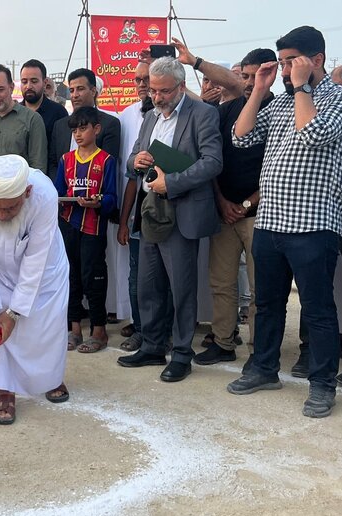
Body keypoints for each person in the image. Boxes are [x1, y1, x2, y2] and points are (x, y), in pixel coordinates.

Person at [227, 26, 342, 418]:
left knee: (317, 310)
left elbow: (312, 134)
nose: (285, 69)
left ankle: (323, 385)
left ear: (317, 60)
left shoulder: (338, 99)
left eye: (292, 61)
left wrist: (301, 89)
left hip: (314, 224)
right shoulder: (278, 103)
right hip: (271, 222)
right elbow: (241, 137)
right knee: (268, 303)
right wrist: (259, 89)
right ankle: (264, 368)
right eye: (281, 62)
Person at [117, 57, 223, 382]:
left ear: (180, 86)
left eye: (164, 91)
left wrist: (172, 183)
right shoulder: (149, 116)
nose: (157, 97)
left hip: (183, 210)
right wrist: (138, 161)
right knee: (149, 285)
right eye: (153, 90)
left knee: (181, 289)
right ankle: (151, 346)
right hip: (151, 210)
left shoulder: (202, 113)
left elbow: (213, 162)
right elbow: (130, 162)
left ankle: (180, 354)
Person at [174, 47, 277, 369]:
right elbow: (212, 162)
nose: (245, 82)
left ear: (270, 75)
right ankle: (223, 342)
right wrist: (223, 202)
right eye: (243, 76)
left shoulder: (277, 110)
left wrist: (246, 204)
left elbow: (276, 169)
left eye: (253, 76)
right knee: (221, 283)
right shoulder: (224, 111)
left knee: (263, 289)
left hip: (261, 214)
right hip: (225, 211)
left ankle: (260, 350)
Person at [0, 154, 70, 425]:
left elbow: (36, 260)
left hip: (44, 270)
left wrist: (15, 313)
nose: (0, 214)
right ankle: (4, 391)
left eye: (9, 208)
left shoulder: (44, 195)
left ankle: (50, 378)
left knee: (45, 326)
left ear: (27, 192)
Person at [55, 107, 117, 353]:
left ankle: (99, 330)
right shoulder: (66, 159)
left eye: (83, 128)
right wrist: (65, 199)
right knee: (70, 276)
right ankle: (74, 329)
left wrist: (99, 202)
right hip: (69, 225)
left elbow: (113, 197)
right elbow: (57, 192)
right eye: (74, 130)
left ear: (97, 129)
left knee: (93, 276)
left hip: (94, 227)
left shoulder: (107, 160)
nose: (78, 134)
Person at [115, 60, 158, 352]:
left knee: (162, 280)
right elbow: (132, 174)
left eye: (149, 81)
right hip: (140, 214)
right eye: (138, 80)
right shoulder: (138, 120)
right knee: (137, 275)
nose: (142, 86)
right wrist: (124, 220)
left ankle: (161, 332)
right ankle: (142, 329)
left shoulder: (189, 117)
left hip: (170, 214)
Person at [48, 68, 121, 181]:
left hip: (94, 194)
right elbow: (53, 164)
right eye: (71, 90)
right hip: (63, 195)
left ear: (93, 91)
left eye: (80, 89)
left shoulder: (109, 123)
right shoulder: (60, 125)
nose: (75, 95)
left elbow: (108, 165)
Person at [0, 64, 47, 171]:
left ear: (11, 87)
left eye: (0, 89)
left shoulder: (32, 119)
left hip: (23, 186)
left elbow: (38, 166)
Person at [19, 59, 68, 148]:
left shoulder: (58, 112)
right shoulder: (14, 113)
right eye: (24, 81)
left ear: (44, 83)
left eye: (34, 81)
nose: (28, 86)